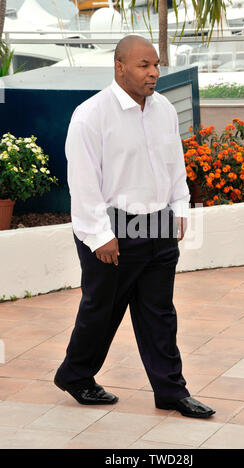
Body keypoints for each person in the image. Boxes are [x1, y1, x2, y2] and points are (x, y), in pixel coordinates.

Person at [54, 34, 215, 419]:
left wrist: (178, 208)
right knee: (101, 311)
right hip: (113, 228)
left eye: (156, 65)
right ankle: (75, 375)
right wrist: (98, 235)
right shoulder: (91, 115)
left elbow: (173, 164)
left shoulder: (163, 110)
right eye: (144, 65)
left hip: (158, 223)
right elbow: (83, 181)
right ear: (119, 66)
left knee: (159, 311)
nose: (154, 73)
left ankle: (171, 391)